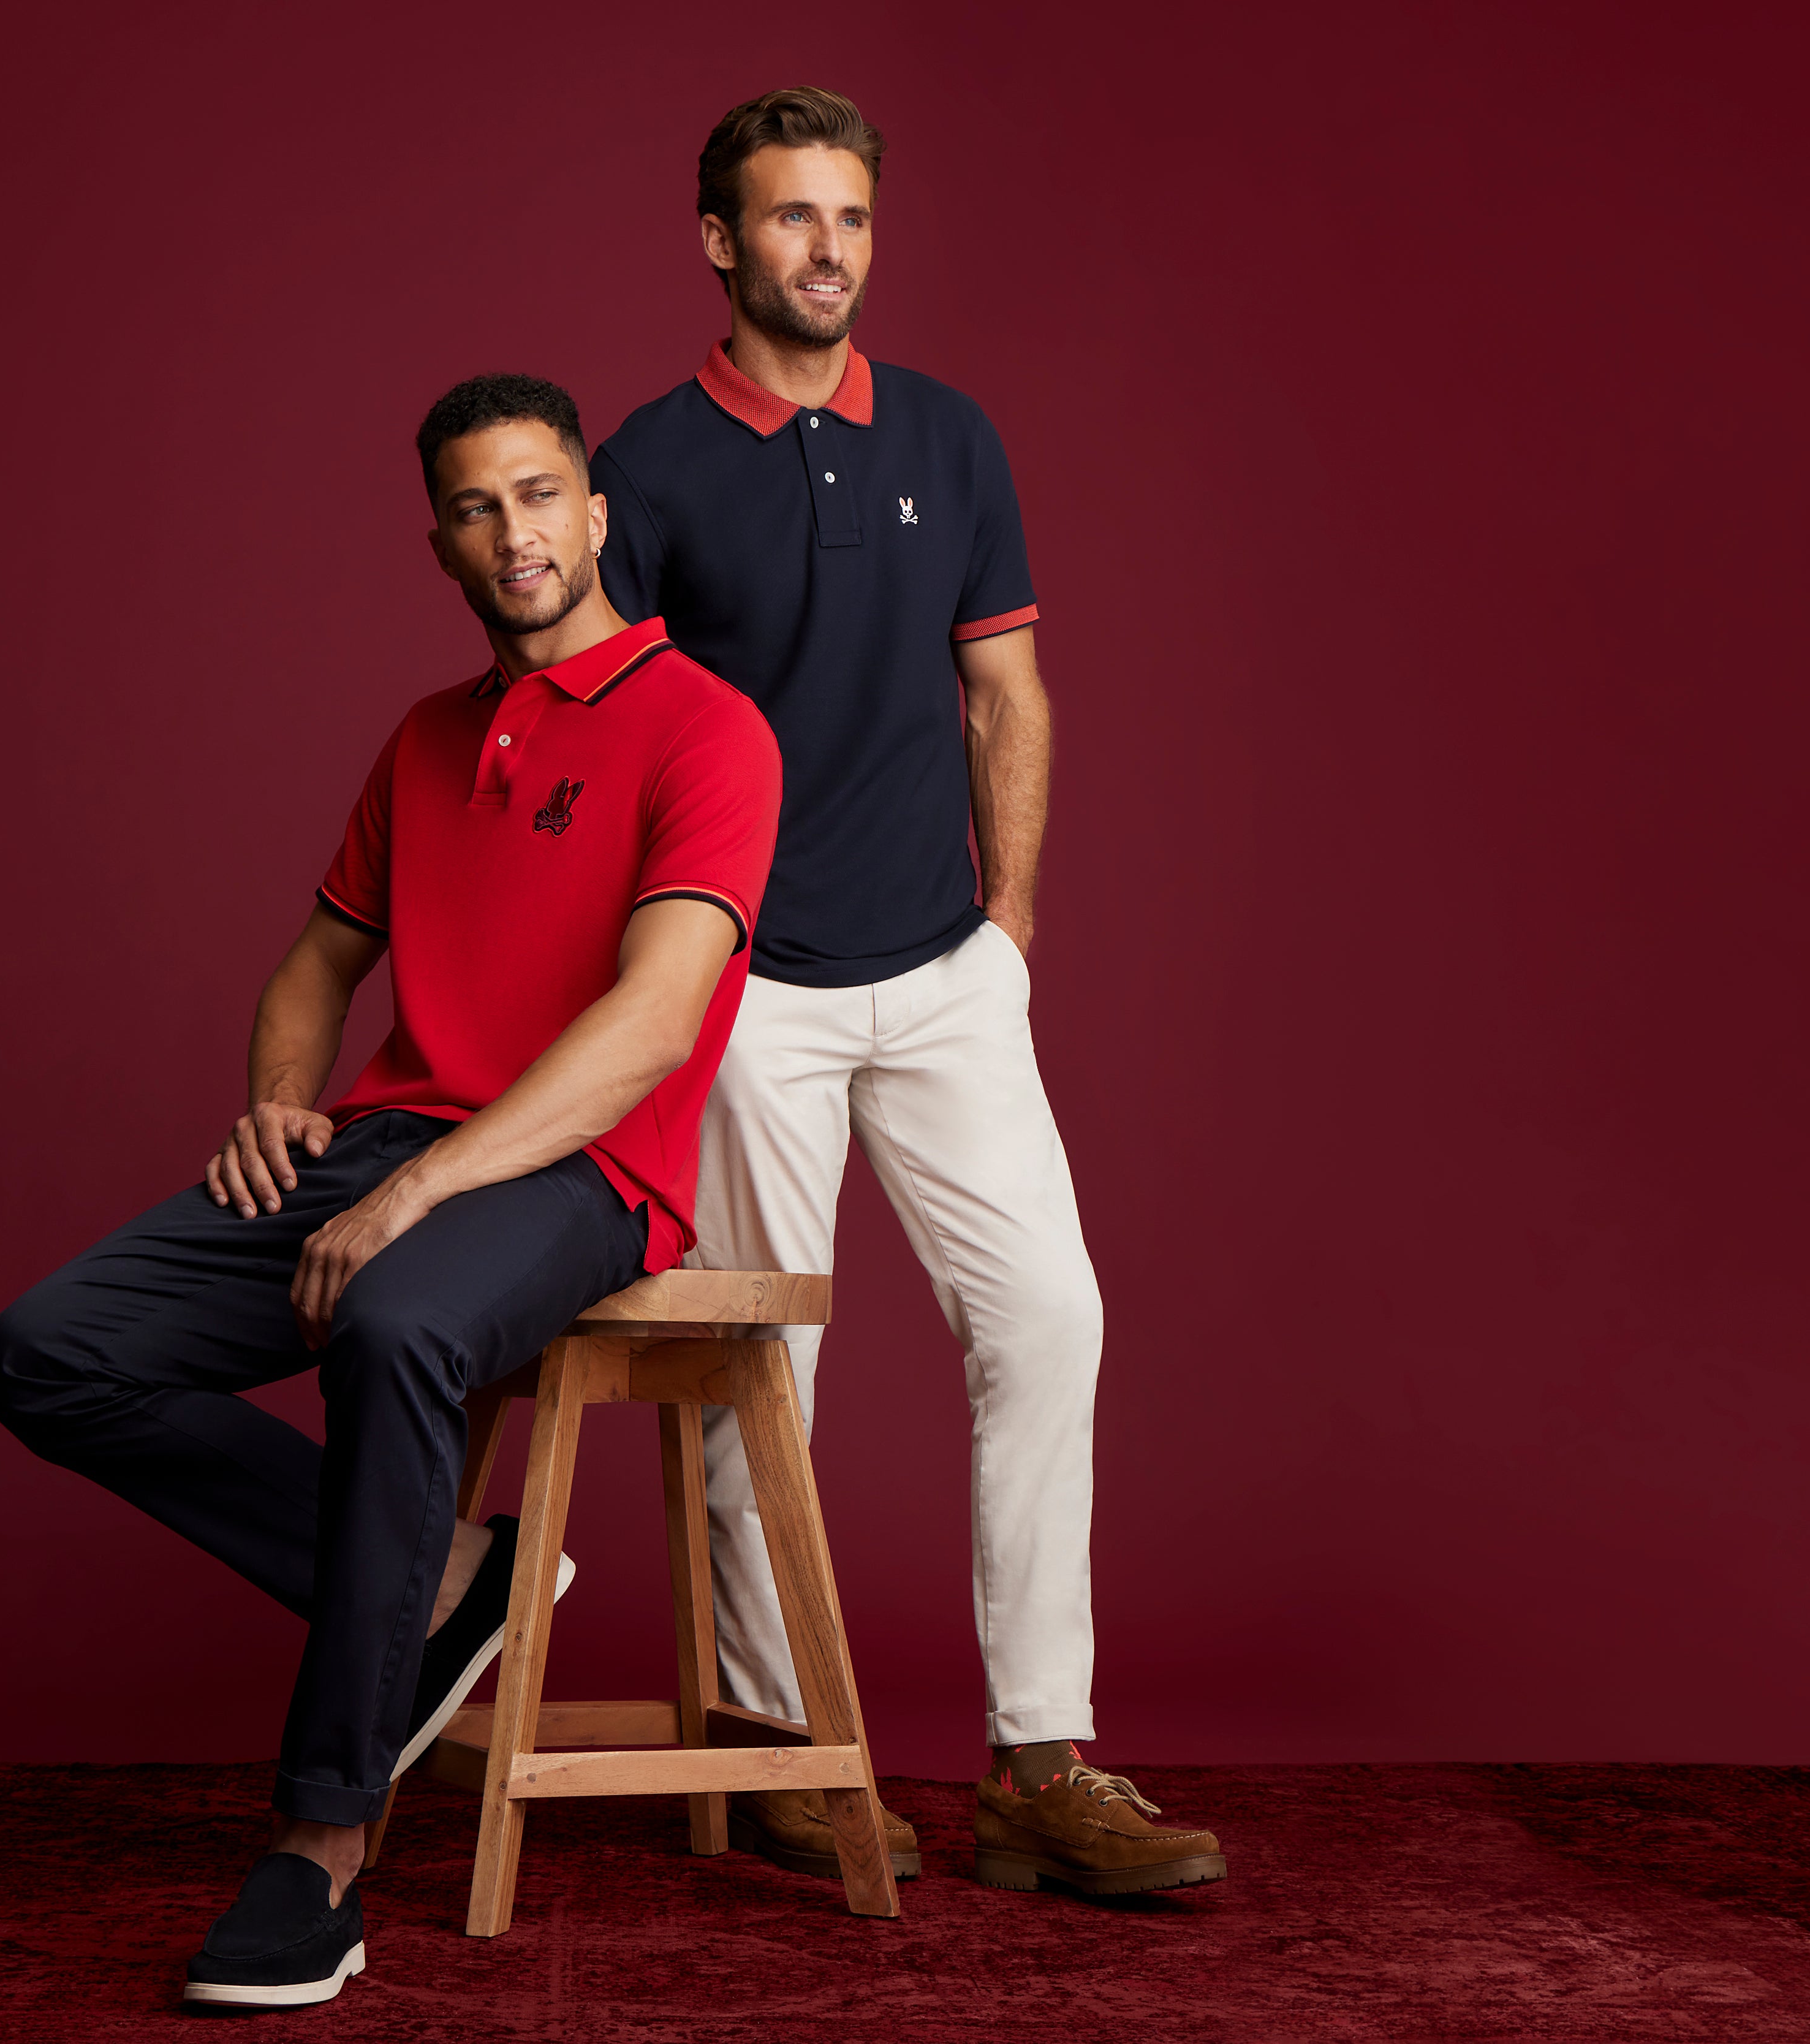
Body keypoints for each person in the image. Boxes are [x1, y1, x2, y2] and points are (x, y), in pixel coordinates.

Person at [0, 373, 779, 2007]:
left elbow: (650, 1027)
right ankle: (446, 1589)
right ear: (442, 545)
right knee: (43, 1349)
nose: (516, 533)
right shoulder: (422, 740)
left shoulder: (709, 725)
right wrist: (282, 1104)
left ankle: (321, 1853)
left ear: (597, 510)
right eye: (479, 509)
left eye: (542, 494)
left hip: (580, 1168)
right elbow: (315, 966)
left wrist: (418, 1199)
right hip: (380, 1144)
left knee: (396, 1328)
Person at [592, 86, 1230, 1900]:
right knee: (758, 1377)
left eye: (852, 220)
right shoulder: (643, 468)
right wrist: (668, 976)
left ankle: (1041, 1765)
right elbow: (616, 740)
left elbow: (1006, 695)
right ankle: (789, 1756)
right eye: (792, 220)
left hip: (943, 973)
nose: (828, 252)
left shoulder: (952, 439)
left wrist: (1007, 930)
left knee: (1050, 1322)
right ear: (720, 241)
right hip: (745, 992)